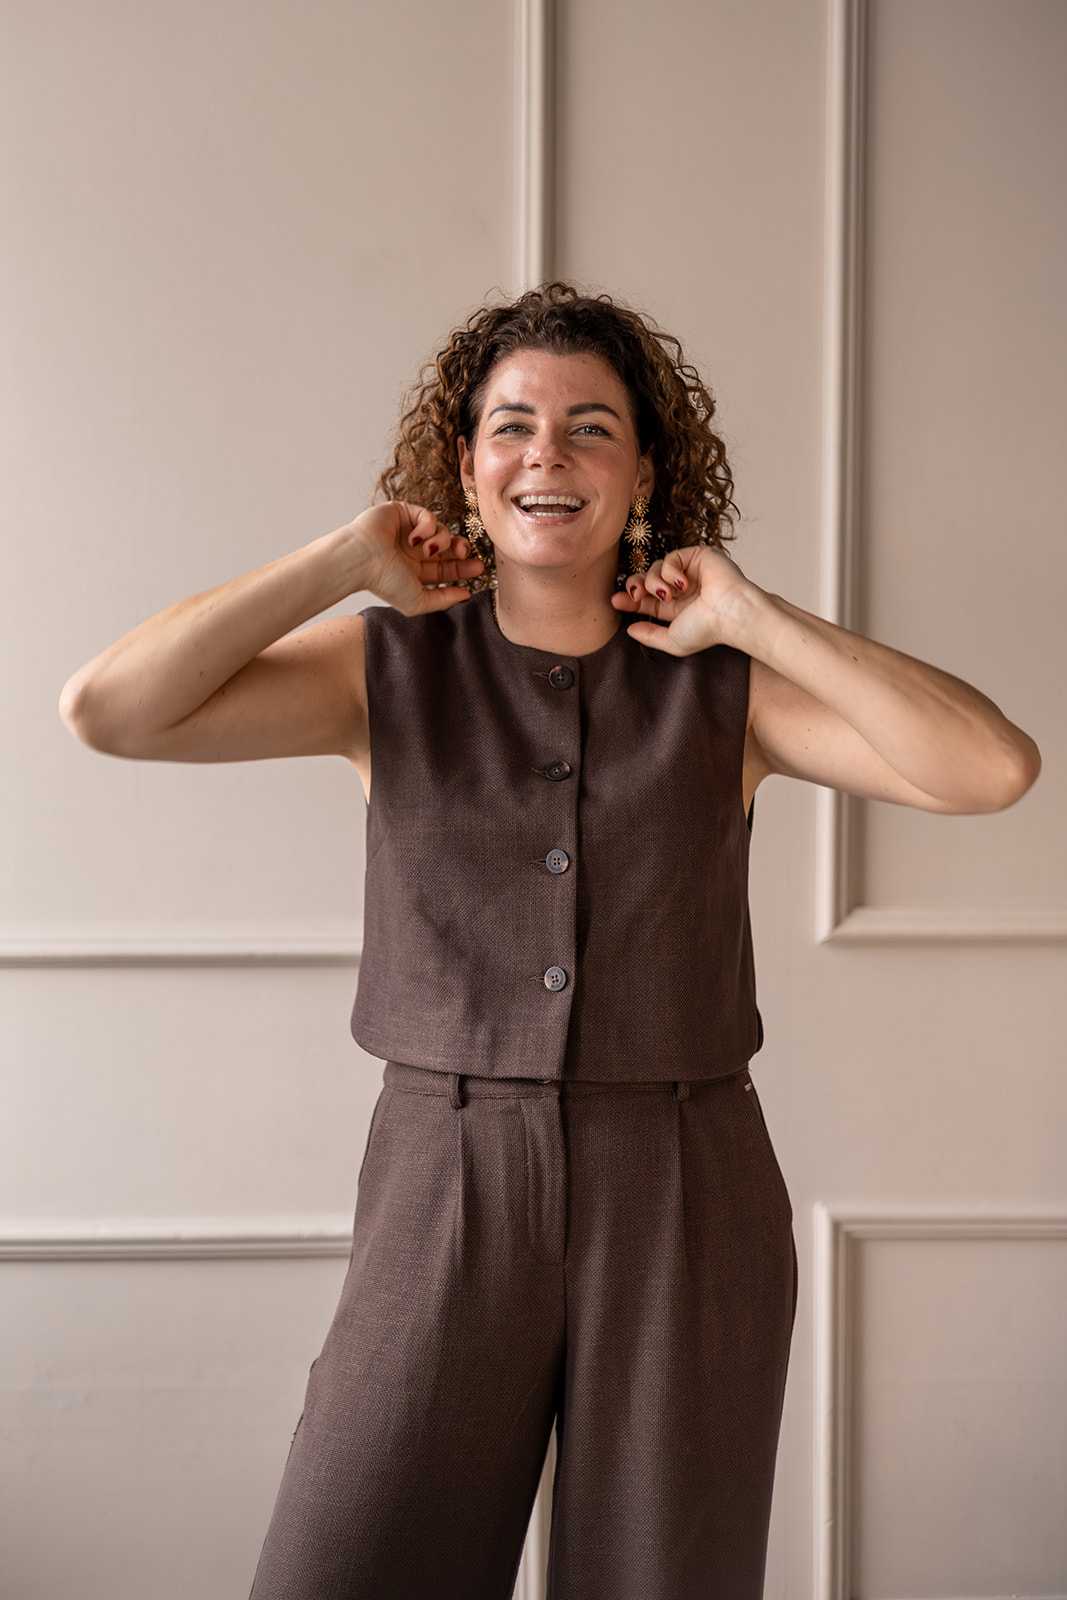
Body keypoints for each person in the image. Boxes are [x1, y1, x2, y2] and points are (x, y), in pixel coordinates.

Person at [59, 283, 1040, 1600]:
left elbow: (991, 769)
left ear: (644, 472)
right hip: (444, 1174)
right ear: (467, 466)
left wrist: (754, 616)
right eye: (513, 425)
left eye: (591, 428)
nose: (548, 455)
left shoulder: (724, 688)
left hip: (685, 1186)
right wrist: (345, 559)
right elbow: (108, 711)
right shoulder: (383, 671)